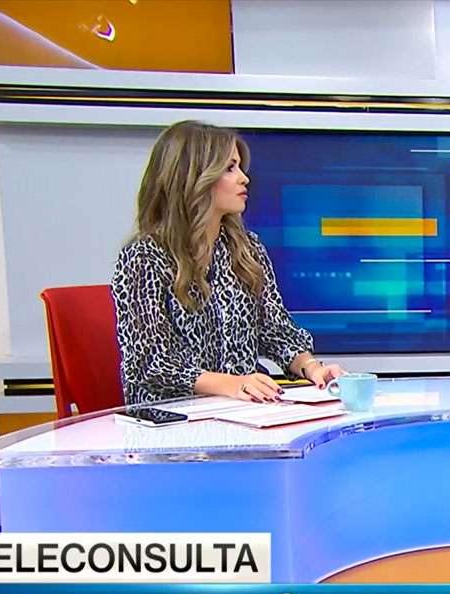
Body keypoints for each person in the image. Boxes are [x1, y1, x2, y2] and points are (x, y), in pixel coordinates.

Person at [112, 120, 344, 406]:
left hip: (242, 410)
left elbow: (275, 330)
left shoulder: (247, 249)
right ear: (193, 177)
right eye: (230, 168)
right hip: (172, 415)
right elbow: (150, 363)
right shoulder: (144, 256)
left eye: (240, 167)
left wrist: (313, 368)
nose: (244, 178)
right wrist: (231, 384)